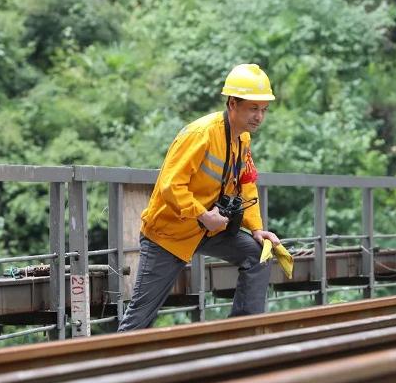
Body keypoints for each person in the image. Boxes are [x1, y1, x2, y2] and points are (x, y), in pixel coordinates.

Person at [118, 63, 280, 331]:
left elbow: (247, 185)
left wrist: (257, 229)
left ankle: (241, 339)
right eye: (253, 108)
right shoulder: (201, 134)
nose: (259, 116)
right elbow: (171, 185)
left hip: (209, 227)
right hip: (170, 233)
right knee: (140, 317)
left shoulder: (242, 140)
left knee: (258, 254)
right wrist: (203, 215)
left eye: (263, 110)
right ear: (232, 104)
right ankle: (113, 367)